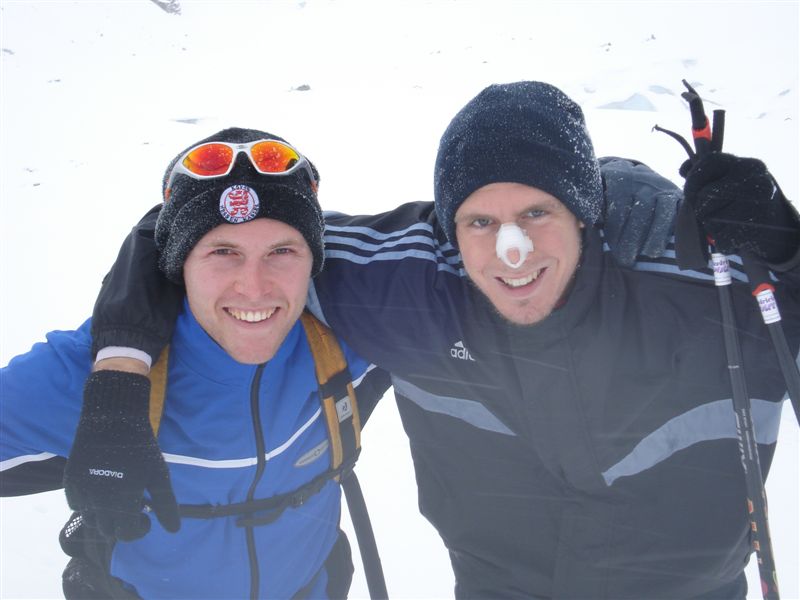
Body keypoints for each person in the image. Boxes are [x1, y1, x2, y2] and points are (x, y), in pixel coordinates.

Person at [31, 82, 800, 598]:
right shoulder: (404, 284)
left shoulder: (715, 285)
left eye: (538, 214)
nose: (512, 252)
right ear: (445, 227)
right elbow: (221, 232)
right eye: (478, 221)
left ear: (585, 212)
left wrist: (794, 260)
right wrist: (122, 367)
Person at [0, 129, 391, 599]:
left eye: (282, 251)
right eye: (223, 252)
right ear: (178, 264)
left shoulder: (350, 338)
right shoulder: (98, 376)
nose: (254, 286)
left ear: (313, 259)